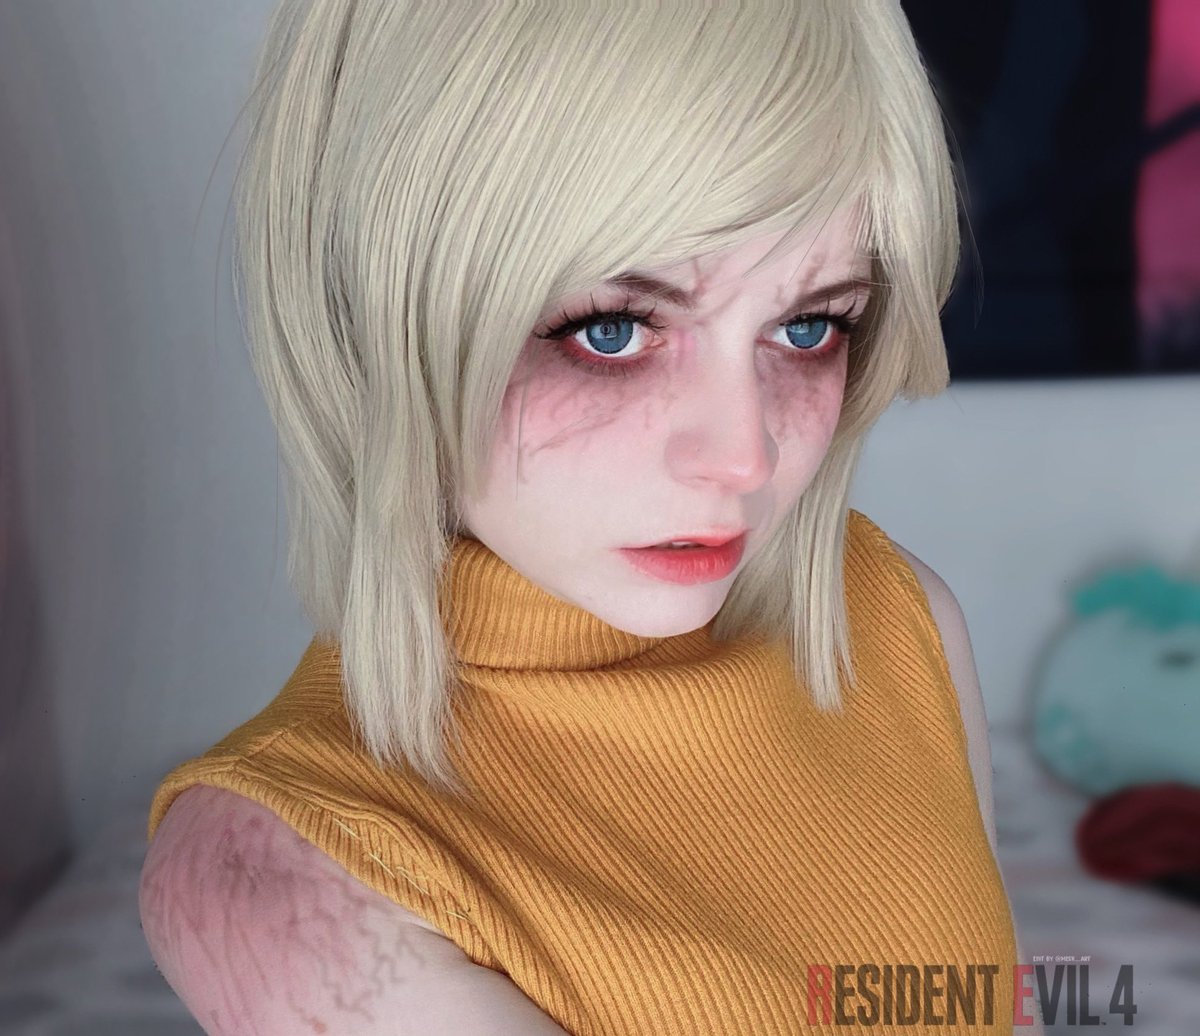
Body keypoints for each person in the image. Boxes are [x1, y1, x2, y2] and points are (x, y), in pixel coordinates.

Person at [139, 1, 1044, 1033]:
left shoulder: (894, 612)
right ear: (381, 304)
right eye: (610, 331)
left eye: (808, 327)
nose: (744, 458)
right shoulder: (280, 877)